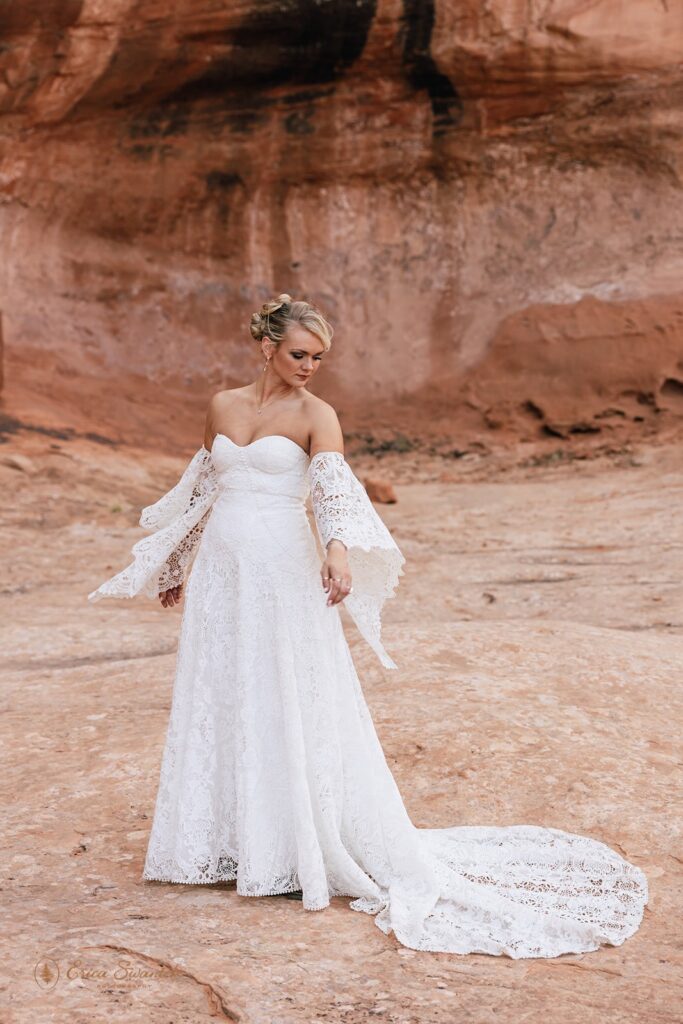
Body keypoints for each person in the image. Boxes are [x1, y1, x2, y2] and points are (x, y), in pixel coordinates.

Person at [88, 293, 648, 957]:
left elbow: (331, 496)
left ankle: (299, 842)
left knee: (289, 689)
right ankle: (231, 842)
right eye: (299, 354)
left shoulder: (316, 415)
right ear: (265, 346)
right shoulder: (222, 405)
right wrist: (176, 564)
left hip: (281, 567)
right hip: (223, 571)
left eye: (319, 357)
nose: (308, 367)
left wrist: (336, 554)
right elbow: (204, 488)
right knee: (223, 690)